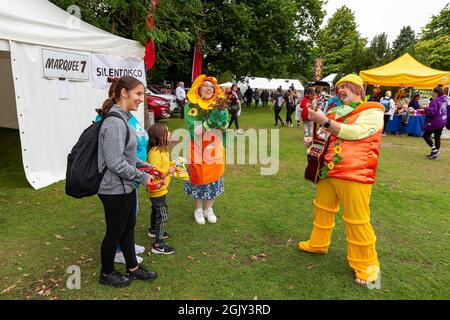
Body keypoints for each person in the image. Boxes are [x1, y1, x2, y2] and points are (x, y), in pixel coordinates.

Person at [299, 74, 384, 286]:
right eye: (338, 87)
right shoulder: (336, 111)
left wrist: (326, 122)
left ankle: (367, 267)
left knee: (357, 220)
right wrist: (313, 139)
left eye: (345, 86)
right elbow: (329, 136)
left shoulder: (372, 111)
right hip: (329, 170)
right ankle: (318, 243)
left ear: (359, 90)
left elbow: (355, 133)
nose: (340, 90)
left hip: (355, 173)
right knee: (322, 208)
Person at [97, 75, 158, 288]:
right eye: (138, 94)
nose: (142, 99)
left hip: (125, 186)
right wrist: (142, 177)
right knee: (115, 231)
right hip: (113, 189)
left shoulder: (124, 118)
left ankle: (132, 267)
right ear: (124, 93)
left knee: (128, 227)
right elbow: (114, 162)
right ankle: (106, 273)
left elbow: (127, 156)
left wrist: (145, 165)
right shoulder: (114, 122)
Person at [184, 75, 230, 224]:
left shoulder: (219, 106)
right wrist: (210, 122)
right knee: (198, 176)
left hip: (214, 147)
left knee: (214, 177)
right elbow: (195, 130)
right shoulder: (191, 106)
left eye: (212, 86)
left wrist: (222, 123)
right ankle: (198, 209)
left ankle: (209, 208)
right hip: (197, 147)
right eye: (206, 85)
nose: (209, 88)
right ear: (199, 88)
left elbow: (224, 128)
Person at [147, 123, 177, 254]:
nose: (170, 133)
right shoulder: (154, 153)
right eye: (167, 131)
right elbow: (154, 171)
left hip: (161, 189)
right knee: (162, 214)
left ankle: (154, 230)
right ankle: (158, 245)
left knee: (156, 210)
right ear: (160, 137)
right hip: (158, 190)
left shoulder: (163, 150)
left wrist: (173, 164)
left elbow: (164, 165)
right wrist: (167, 171)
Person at [423, 86, 448, 159]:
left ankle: (434, 150)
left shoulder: (435, 101)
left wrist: (425, 109)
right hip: (443, 121)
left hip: (436, 122)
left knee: (425, 135)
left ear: (435, 92)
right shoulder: (444, 100)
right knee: (437, 137)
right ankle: (435, 154)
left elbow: (432, 113)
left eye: (432, 91)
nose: (431, 92)